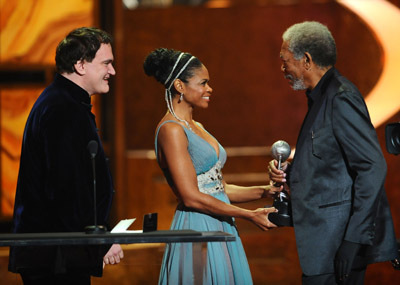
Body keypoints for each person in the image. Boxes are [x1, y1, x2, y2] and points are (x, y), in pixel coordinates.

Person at [268, 21, 399, 284]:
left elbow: (372, 167)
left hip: (339, 245)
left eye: (285, 61)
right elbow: (333, 165)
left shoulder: (340, 97)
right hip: (326, 246)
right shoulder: (321, 97)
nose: (282, 69)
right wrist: (291, 172)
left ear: (306, 60)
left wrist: (354, 239)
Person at [143, 48, 280, 284]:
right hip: (198, 226)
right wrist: (249, 215)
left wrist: (265, 191)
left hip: (221, 222)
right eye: (203, 83)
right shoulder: (171, 130)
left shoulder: (198, 126)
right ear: (180, 86)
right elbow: (191, 197)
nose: (210, 89)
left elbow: (219, 188)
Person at [8, 27, 123, 285]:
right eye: (106, 63)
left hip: (59, 255)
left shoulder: (63, 102)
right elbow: (66, 188)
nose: (112, 71)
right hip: (56, 259)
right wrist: (101, 241)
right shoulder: (62, 109)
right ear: (81, 65)